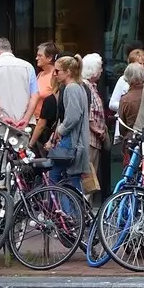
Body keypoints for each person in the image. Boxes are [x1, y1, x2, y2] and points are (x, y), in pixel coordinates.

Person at [0, 38, 36, 140]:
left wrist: (2, 117)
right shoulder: (28, 66)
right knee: (21, 154)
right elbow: (35, 95)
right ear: (10, 51)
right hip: (22, 124)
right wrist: (26, 119)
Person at [48, 55, 92, 190]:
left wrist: (59, 132)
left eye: (57, 71)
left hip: (71, 140)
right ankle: (76, 209)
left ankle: (64, 209)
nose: (55, 74)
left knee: (54, 176)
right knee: (72, 178)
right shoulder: (80, 87)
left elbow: (73, 117)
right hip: (77, 140)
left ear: (68, 72)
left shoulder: (71, 88)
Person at [81, 54, 109, 193]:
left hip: (94, 139)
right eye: (100, 68)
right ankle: (85, 209)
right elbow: (88, 113)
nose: (102, 71)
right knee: (89, 178)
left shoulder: (92, 86)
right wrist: (99, 130)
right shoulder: (86, 87)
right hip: (90, 139)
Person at [29, 42, 60, 150]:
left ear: (49, 57)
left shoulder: (55, 76)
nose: (36, 58)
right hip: (34, 123)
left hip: (46, 126)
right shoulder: (40, 75)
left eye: (40, 55)